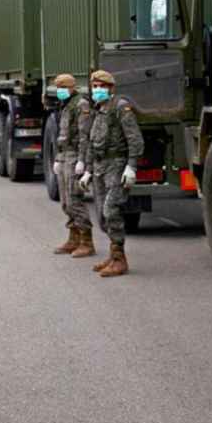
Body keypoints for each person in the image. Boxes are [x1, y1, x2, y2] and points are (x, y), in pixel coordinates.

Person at [78, 70, 144, 278]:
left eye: (101, 86)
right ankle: (112, 254)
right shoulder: (99, 109)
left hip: (116, 164)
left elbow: (135, 139)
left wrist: (131, 166)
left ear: (111, 88)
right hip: (99, 167)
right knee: (101, 216)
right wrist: (87, 170)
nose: (97, 90)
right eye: (94, 86)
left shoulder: (120, 107)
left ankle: (119, 259)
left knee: (111, 209)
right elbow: (91, 141)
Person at [52, 74, 95, 258]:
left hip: (74, 156)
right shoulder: (66, 104)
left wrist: (82, 161)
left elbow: (85, 136)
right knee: (65, 201)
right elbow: (62, 135)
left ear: (71, 87)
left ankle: (87, 241)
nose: (58, 91)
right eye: (57, 87)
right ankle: (73, 237)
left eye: (62, 87)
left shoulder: (81, 105)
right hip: (64, 155)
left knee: (74, 199)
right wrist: (57, 158)